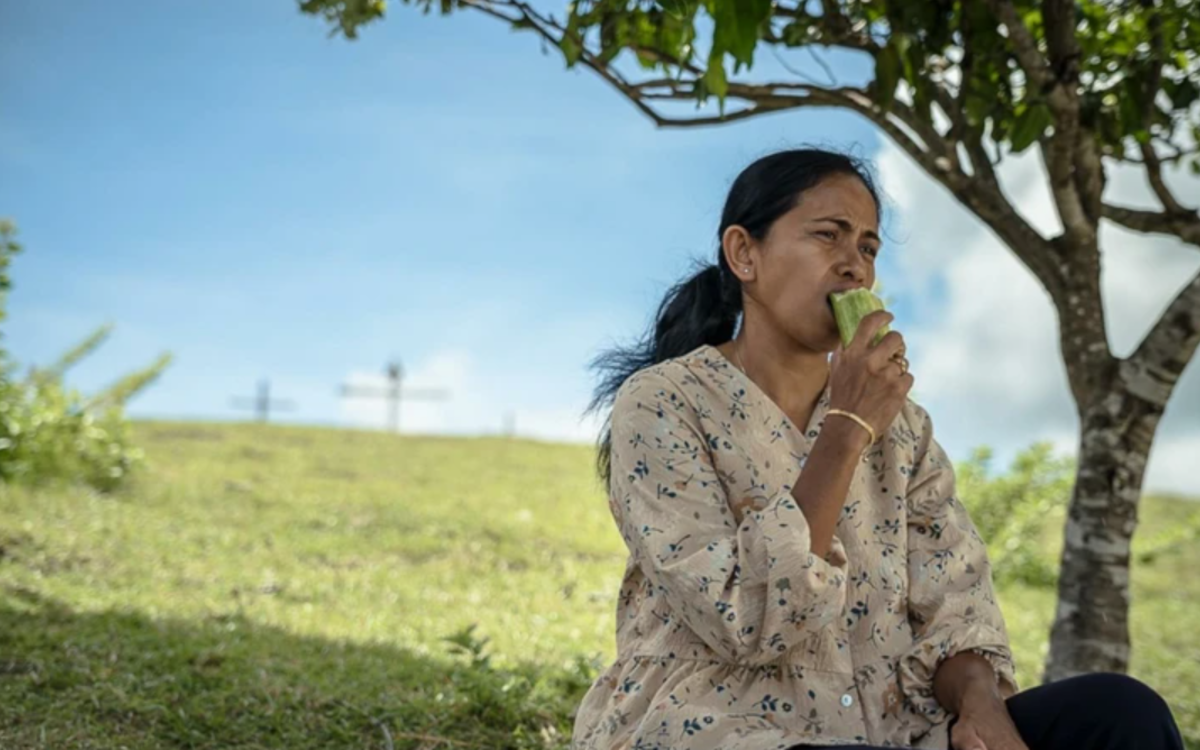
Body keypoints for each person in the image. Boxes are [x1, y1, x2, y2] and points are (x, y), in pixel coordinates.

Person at [572, 148, 1184, 750]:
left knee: (1119, 712)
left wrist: (981, 709)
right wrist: (846, 427)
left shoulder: (906, 428)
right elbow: (745, 619)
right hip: (716, 726)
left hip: (891, 731)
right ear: (744, 254)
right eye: (828, 236)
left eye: (867, 247)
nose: (854, 267)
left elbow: (953, 606)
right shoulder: (661, 403)